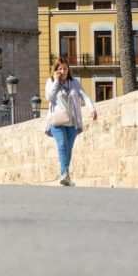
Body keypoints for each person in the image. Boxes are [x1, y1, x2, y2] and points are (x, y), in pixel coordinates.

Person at [45, 56, 97, 186]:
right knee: (62, 144)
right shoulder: (50, 81)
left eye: (65, 69)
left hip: (72, 122)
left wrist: (92, 109)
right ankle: (65, 174)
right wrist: (56, 81)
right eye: (60, 69)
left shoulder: (74, 82)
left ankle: (66, 175)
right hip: (57, 122)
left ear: (68, 70)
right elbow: (49, 97)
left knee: (68, 150)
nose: (63, 71)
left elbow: (84, 96)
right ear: (55, 70)